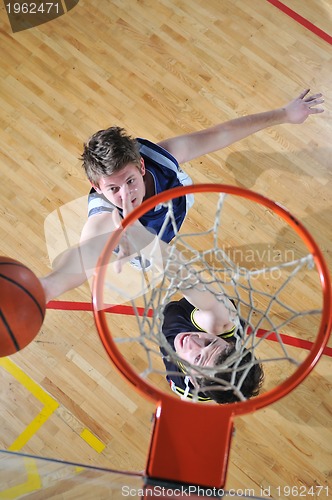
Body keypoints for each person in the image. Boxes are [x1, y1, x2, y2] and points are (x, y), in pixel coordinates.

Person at [40, 89, 324, 303]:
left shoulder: (160, 158)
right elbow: (82, 255)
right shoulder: (104, 219)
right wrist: (46, 289)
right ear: (97, 186)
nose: (127, 194)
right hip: (147, 244)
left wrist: (284, 114)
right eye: (113, 189)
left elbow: (221, 133)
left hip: (176, 201)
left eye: (130, 181)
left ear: (141, 165)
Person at [161, 296, 263, 403]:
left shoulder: (185, 387)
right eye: (210, 342)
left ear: (194, 381)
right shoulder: (219, 320)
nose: (194, 340)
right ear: (231, 343)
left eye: (198, 358)